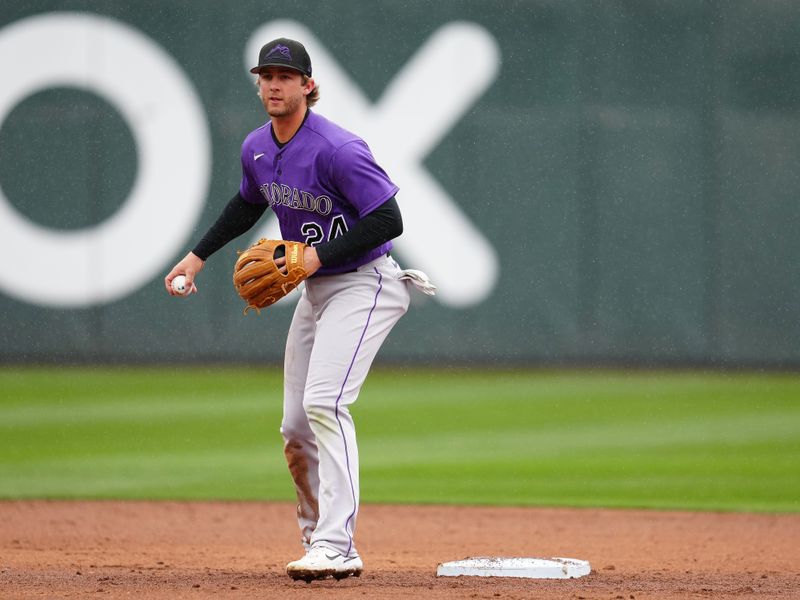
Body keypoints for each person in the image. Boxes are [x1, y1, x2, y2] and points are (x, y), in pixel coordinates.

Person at [164, 37, 425, 582]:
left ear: (308, 85)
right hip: (317, 289)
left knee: (325, 404)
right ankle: (316, 537)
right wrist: (196, 257)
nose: (275, 84)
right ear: (258, 83)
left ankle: (338, 543)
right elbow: (247, 203)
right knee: (294, 425)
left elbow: (388, 220)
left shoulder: (338, 148)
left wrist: (315, 256)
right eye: (267, 75)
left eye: (286, 76)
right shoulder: (257, 146)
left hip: (366, 283)